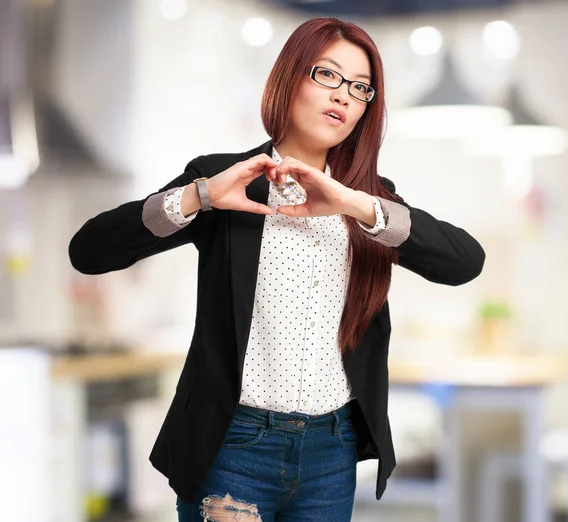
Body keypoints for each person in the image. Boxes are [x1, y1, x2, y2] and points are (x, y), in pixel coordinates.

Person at [69, 16, 485, 522]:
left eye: (360, 87)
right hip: (235, 448)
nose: (344, 96)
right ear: (289, 78)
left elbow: (465, 261)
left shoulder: (366, 203)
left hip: (331, 454)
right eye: (327, 75)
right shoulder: (223, 182)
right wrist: (199, 196)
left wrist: (358, 205)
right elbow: (89, 252)